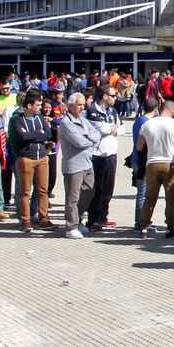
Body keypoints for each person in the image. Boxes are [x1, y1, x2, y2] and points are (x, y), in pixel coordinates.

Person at [135, 98, 174, 238]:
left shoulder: (147, 124)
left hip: (152, 163)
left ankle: (144, 226)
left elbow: (139, 147)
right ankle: (170, 228)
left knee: (150, 197)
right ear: (173, 111)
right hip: (171, 163)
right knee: (171, 198)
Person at [57, 93, 103, 239]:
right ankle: (71, 226)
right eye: (79, 105)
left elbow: (97, 134)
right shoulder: (66, 123)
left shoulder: (83, 120)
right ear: (70, 106)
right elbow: (80, 142)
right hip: (73, 165)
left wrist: (89, 138)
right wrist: (90, 138)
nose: (82, 107)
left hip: (87, 163)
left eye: (83, 105)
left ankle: (78, 219)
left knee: (89, 191)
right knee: (73, 196)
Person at [9, 92, 55, 233]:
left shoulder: (40, 118)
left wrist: (36, 135)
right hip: (26, 158)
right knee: (25, 191)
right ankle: (25, 220)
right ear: (29, 106)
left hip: (42, 157)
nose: (40, 108)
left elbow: (48, 134)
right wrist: (38, 134)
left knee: (43, 190)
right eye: (37, 105)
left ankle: (43, 219)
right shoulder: (18, 120)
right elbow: (22, 137)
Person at [85, 88, 123, 232]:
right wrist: (111, 128)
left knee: (108, 189)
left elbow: (123, 129)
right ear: (105, 96)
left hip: (111, 154)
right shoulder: (92, 110)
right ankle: (93, 219)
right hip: (98, 156)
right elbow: (99, 128)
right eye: (113, 95)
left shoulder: (112, 111)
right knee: (97, 189)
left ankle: (103, 217)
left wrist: (114, 129)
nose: (115, 98)